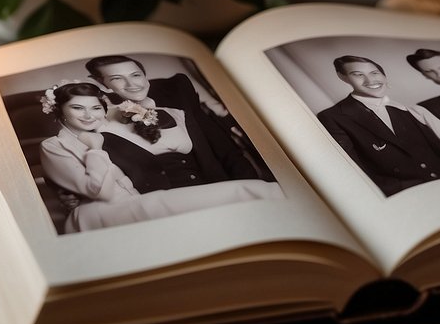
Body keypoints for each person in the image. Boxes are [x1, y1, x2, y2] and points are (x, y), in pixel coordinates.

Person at [37, 82, 281, 234]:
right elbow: (101, 191)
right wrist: (94, 150)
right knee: (241, 193)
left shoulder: (104, 132)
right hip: (102, 213)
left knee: (248, 195)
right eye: (77, 108)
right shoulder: (54, 145)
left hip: (140, 201)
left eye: (95, 108)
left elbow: (125, 111)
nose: (89, 115)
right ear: (61, 111)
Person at [316, 55, 440, 196]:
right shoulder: (333, 117)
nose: (370, 80)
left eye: (375, 73)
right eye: (358, 75)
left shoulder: (411, 111)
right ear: (343, 78)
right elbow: (351, 170)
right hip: (406, 198)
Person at [85, 55, 265, 191]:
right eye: (117, 78)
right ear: (103, 85)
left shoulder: (176, 90)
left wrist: (252, 185)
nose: (131, 84)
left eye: (136, 75)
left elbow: (222, 146)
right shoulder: (97, 114)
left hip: (216, 182)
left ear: (144, 75)